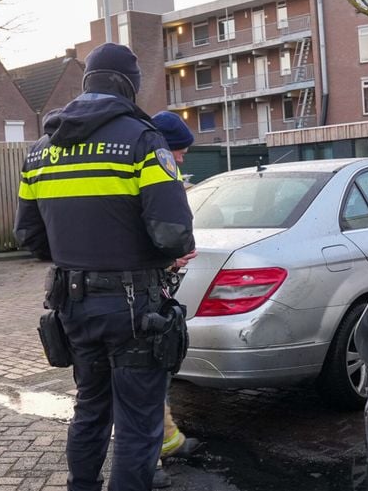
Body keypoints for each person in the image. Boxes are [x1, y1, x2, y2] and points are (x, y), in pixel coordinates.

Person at [14, 42, 195, 491]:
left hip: (72, 306)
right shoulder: (142, 140)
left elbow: (29, 238)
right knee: (138, 423)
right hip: (135, 310)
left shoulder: (40, 150)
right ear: (128, 85)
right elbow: (172, 233)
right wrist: (168, 254)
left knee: (90, 409)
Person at [149, 111, 202, 489]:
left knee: (152, 377)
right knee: (141, 382)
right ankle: (147, 460)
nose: (181, 159)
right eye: (179, 151)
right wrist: (170, 257)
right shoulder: (153, 177)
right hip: (138, 296)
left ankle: (169, 440)